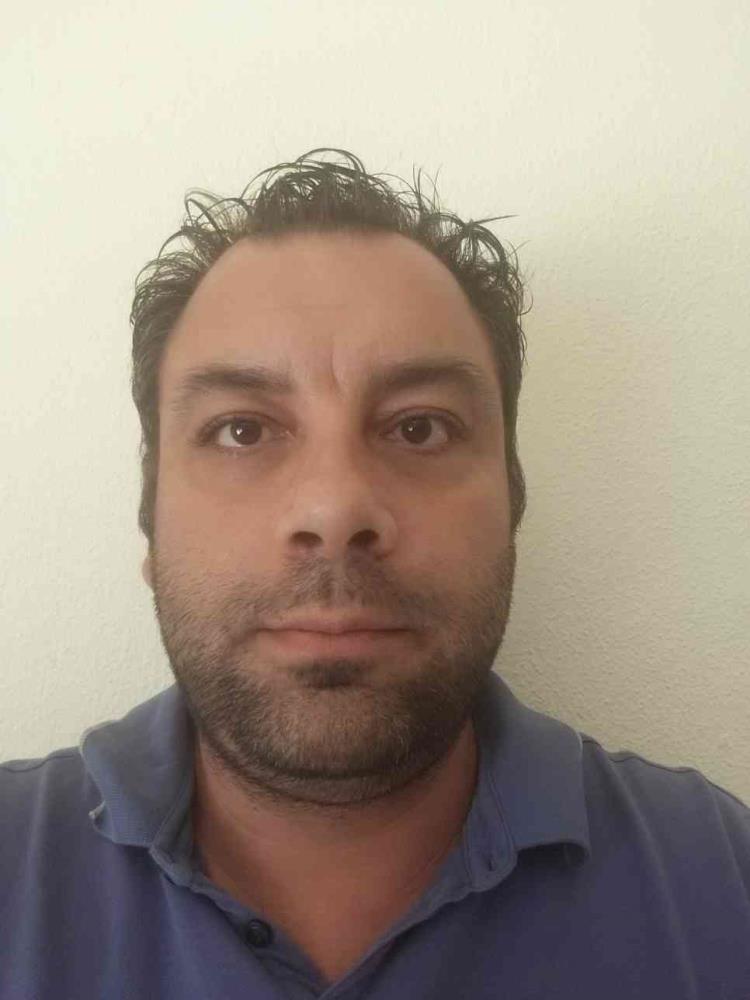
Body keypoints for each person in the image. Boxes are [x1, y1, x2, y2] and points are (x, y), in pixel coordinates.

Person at [1, 148, 748, 1000]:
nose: (334, 508)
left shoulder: (719, 883)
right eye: (242, 430)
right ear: (150, 517)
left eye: (420, 427)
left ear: (512, 502)